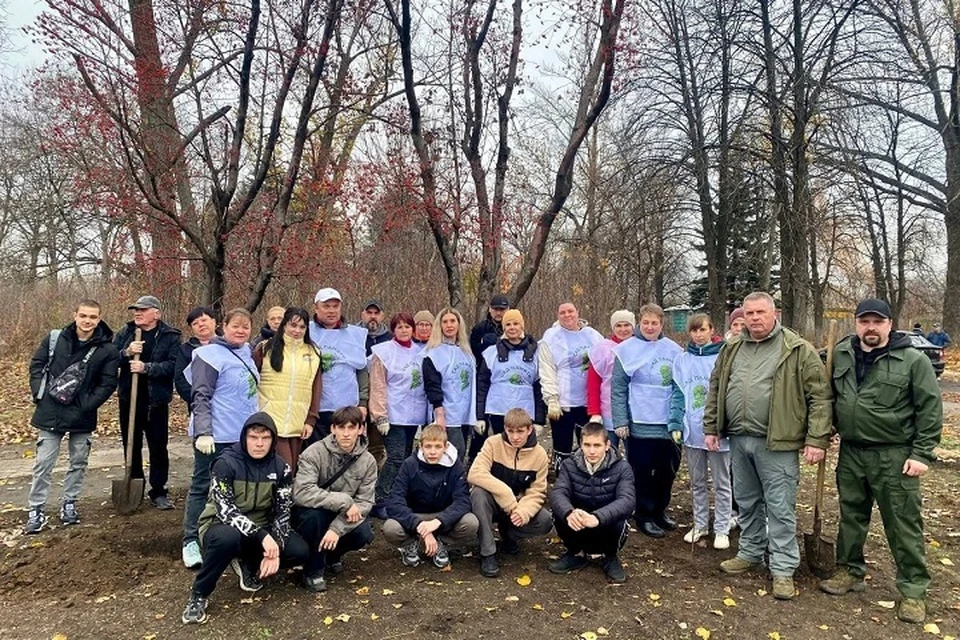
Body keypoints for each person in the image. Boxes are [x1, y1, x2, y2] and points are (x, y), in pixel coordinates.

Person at [819, 298, 942, 624]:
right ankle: (849, 571)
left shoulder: (913, 361)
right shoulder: (841, 353)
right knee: (851, 515)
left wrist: (922, 453)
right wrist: (828, 425)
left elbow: (929, 410)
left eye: (877, 321)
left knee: (903, 523)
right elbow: (831, 394)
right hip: (851, 452)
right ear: (856, 323)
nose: (870, 328)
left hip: (894, 454)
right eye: (864, 321)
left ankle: (914, 590)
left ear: (890, 324)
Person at [703, 291, 830, 600]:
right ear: (742, 317)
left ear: (775, 314)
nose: (755, 318)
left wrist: (816, 438)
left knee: (780, 506)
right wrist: (711, 426)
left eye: (761, 312)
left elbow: (819, 397)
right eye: (750, 313)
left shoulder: (796, 349)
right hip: (739, 439)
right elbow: (717, 386)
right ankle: (750, 552)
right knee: (746, 501)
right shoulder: (733, 347)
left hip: (778, 443)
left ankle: (784, 568)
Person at [181, 412, 309, 625]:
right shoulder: (225, 464)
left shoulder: (281, 468)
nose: (259, 444)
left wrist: (274, 548)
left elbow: (282, 511)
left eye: (265, 438)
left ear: (273, 440)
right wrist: (263, 537)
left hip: (260, 528)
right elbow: (226, 510)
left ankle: (248, 563)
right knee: (227, 539)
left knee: (299, 551)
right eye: (253, 437)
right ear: (244, 437)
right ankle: (199, 595)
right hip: (220, 525)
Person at [23, 299, 120, 534]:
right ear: (74, 314)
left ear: (99, 318)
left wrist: (87, 404)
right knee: (43, 463)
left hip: (81, 415)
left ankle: (69, 503)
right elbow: (37, 364)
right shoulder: (56, 339)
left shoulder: (107, 349)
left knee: (78, 461)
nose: (88, 321)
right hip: (51, 411)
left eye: (93, 317)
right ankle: (36, 508)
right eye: (84, 315)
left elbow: (107, 383)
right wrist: (40, 392)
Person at [181, 308, 261, 569]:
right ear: (223, 326)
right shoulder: (207, 355)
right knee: (203, 485)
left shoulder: (247, 354)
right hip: (215, 436)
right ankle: (191, 540)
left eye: (245, 326)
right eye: (235, 325)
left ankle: (224, 537)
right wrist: (204, 432)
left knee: (233, 489)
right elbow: (200, 395)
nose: (240, 330)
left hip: (241, 435)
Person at [611, 303, 683, 539]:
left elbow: (680, 386)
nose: (650, 327)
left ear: (661, 324)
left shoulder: (673, 349)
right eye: (646, 323)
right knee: (641, 471)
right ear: (639, 324)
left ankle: (660, 510)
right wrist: (620, 421)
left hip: (667, 423)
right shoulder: (626, 350)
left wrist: (678, 420)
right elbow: (618, 388)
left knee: (667, 470)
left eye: (655, 323)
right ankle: (643, 514)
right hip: (639, 421)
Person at [293, 406, 377, 593]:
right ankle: (313, 570)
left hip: (342, 517)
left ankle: (331, 555)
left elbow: (365, 502)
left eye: (351, 428)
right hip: (313, 511)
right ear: (333, 429)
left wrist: (336, 529)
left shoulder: (368, 461)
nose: (346, 434)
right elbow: (302, 492)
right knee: (315, 518)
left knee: (364, 532)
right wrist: (344, 501)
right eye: (341, 428)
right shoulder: (314, 452)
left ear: (361, 429)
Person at [669, 313, 732, 550]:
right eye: (694, 331)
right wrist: (675, 422)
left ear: (711, 330)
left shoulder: (723, 356)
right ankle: (700, 524)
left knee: (721, 481)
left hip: (718, 431)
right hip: (693, 430)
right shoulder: (682, 360)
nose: (698, 335)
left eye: (702, 330)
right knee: (697, 482)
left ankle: (722, 528)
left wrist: (725, 425)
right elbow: (678, 393)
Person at [114, 294, 181, 510]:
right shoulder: (126, 333)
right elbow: (109, 357)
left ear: (157, 313)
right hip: (129, 400)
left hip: (156, 402)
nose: (137, 313)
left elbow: (173, 366)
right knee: (131, 446)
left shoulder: (170, 336)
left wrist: (147, 367)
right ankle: (135, 487)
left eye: (143, 310)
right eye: (136, 310)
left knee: (158, 447)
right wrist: (127, 352)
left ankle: (158, 491)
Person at [468, 407, 552, 578]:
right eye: (510, 431)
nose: (515, 437)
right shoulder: (492, 443)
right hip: (493, 503)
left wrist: (523, 512)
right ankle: (487, 552)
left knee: (545, 520)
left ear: (530, 430)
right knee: (478, 494)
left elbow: (537, 491)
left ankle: (510, 535)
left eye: (520, 431)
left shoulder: (540, 455)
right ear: (504, 428)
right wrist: (506, 495)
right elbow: (475, 473)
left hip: (517, 508)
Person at [548, 421, 635, 583]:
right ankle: (576, 553)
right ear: (581, 444)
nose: (592, 451)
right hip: (579, 521)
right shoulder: (569, 464)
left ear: (607, 445)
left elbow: (627, 500)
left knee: (621, 519)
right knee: (559, 512)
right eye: (587, 445)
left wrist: (597, 517)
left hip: (604, 522)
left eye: (597, 445)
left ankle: (608, 556)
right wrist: (569, 512)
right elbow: (558, 492)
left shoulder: (622, 468)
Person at [383, 424, 478, 568]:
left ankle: (443, 543)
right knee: (391, 528)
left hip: (442, 517)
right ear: (420, 446)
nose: (433, 451)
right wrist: (420, 526)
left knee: (470, 522)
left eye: (438, 446)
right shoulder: (409, 464)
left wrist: (440, 520)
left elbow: (463, 501)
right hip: (416, 516)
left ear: (445, 447)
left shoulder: (455, 466)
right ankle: (410, 544)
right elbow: (395, 501)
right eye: (428, 446)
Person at [370, 312, 429, 518]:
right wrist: (380, 416)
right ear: (393, 330)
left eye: (407, 326)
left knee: (405, 457)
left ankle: (397, 496)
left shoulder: (421, 352)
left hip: (413, 415)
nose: (404, 330)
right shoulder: (384, 352)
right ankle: (380, 497)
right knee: (394, 457)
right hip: (392, 415)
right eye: (399, 327)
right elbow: (377, 385)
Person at [253, 307, 322, 473]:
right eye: (293, 325)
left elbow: (316, 388)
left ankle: (285, 499)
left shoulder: (313, 353)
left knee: (290, 472)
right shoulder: (265, 348)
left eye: (302, 327)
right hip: (268, 420)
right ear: (284, 325)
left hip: (297, 423)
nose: (297, 330)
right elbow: (250, 383)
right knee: (281, 468)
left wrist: (310, 420)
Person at [540, 302, 603, 472]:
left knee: (589, 445)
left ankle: (590, 481)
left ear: (578, 313)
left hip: (588, 403)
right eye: (562, 312)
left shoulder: (593, 336)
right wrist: (551, 399)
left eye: (570, 311)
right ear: (557, 315)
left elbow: (605, 363)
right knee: (562, 447)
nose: (567, 315)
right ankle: (563, 481)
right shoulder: (552, 337)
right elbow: (547, 369)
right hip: (563, 404)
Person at [476, 309, 546, 445]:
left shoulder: (536, 354)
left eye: (515, 324)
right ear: (503, 327)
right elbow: (482, 386)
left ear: (522, 326)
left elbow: (539, 389)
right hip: (498, 411)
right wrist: (479, 416)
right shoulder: (491, 353)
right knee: (501, 449)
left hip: (525, 412)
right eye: (508, 324)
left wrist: (539, 420)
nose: (512, 327)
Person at [308, 288, 369, 440]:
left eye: (335, 306)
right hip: (316, 408)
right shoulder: (306, 331)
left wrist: (363, 403)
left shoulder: (355, 334)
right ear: (316, 308)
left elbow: (361, 370)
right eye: (326, 306)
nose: (331, 311)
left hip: (348, 407)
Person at [423, 308, 477, 459]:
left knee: (462, 451)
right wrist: (439, 413)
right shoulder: (433, 353)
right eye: (445, 322)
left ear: (459, 324)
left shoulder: (466, 353)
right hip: (447, 412)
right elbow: (431, 385)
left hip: (464, 413)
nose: (449, 325)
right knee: (454, 452)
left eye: (452, 321)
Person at [587, 310, 636, 450]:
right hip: (608, 410)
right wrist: (595, 412)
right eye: (618, 326)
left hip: (634, 411)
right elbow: (593, 383)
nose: (623, 329)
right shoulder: (602, 349)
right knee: (608, 453)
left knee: (633, 455)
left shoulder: (639, 347)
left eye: (627, 325)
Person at [174, 306, 218, 415]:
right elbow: (180, 379)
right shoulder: (186, 350)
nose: (201, 325)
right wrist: (195, 398)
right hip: (198, 406)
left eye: (204, 320)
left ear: (213, 321)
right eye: (195, 323)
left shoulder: (229, 345)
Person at [469, 294, 509, 364]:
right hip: (484, 369)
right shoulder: (479, 328)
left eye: (502, 309)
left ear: (508, 309)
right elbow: (472, 353)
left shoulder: (513, 329)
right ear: (490, 309)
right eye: (495, 309)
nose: (498, 313)